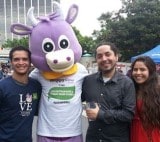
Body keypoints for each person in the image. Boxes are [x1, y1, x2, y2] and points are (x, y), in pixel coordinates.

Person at [81, 42, 136, 142]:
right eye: (100, 56)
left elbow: (128, 114)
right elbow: (74, 99)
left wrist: (100, 114)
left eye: (108, 54)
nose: (104, 59)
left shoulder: (127, 83)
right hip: (93, 138)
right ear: (96, 60)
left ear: (116, 57)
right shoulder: (88, 81)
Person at [0, 46, 42, 142]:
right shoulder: (2, 87)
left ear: (30, 62)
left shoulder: (36, 86)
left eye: (25, 59)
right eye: (16, 59)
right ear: (11, 62)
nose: (21, 62)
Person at [130, 56, 160, 142]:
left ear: (150, 71)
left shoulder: (157, 91)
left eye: (142, 69)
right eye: (135, 69)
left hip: (152, 136)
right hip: (132, 133)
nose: (138, 73)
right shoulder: (130, 89)